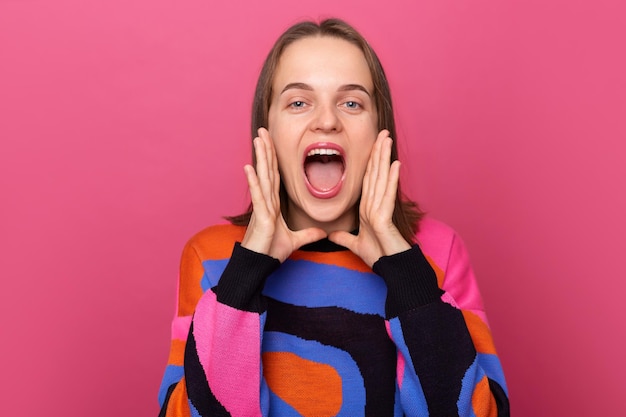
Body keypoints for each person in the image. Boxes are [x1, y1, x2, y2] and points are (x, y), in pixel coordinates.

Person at [158, 18, 509, 417]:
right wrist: (246, 272)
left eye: (352, 103)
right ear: (266, 132)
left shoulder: (437, 251)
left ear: (381, 133)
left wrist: (405, 272)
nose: (327, 121)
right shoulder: (211, 256)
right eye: (298, 102)